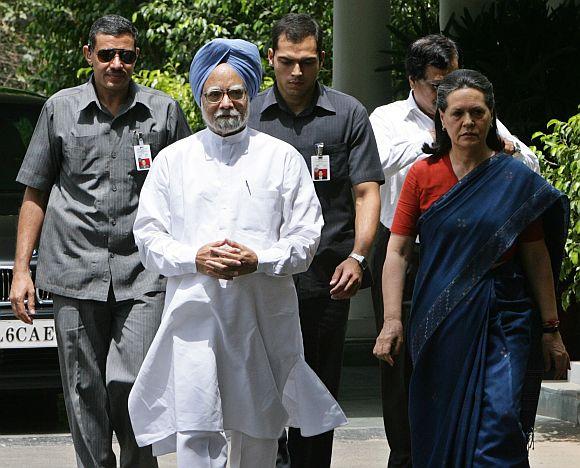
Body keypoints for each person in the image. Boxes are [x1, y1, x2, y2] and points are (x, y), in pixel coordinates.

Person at [127, 38, 347, 468]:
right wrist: (196, 258)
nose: (225, 102)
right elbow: (149, 237)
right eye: (214, 94)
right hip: (195, 320)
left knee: (260, 433)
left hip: (261, 318)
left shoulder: (281, 158)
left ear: (250, 95)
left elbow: (306, 237)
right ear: (200, 98)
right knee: (196, 431)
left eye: (236, 93)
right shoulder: (173, 162)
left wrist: (259, 261)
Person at [9, 15, 191, 468]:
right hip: (73, 270)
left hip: (143, 272)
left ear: (136, 59)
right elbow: (35, 191)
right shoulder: (59, 109)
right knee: (81, 388)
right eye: (106, 53)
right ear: (89, 54)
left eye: (125, 55)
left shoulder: (163, 112)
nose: (115, 63)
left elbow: (189, 193)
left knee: (134, 384)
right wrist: (20, 270)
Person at [374, 69, 570, 467]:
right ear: (441, 119)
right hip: (440, 318)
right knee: (440, 417)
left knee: (501, 420)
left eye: (478, 113)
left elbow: (535, 254)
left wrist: (551, 328)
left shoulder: (513, 178)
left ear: (491, 115)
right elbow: (397, 251)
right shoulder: (422, 175)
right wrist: (392, 321)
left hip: (506, 314)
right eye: (458, 113)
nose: (468, 122)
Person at [248, 13, 383, 468]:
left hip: (327, 279)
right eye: (287, 61)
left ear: (321, 59)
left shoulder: (347, 114)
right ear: (271, 58)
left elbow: (366, 192)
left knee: (317, 387)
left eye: (307, 62)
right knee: (262, 387)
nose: (297, 72)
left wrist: (359, 257)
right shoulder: (246, 113)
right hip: (260, 279)